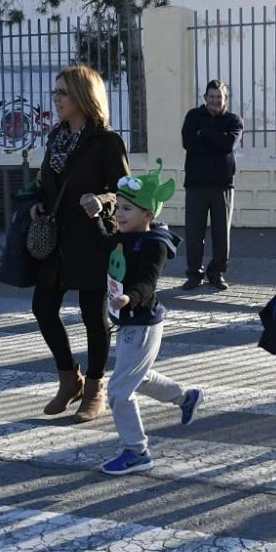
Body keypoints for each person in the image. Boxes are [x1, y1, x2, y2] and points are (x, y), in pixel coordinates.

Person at [91, 159, 205, 475]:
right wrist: (96, 219)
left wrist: (129, 297)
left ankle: (136, 451)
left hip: (142, 323)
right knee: (137, 377)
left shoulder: (153, 245)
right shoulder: (123, 236)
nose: (120, 214)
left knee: (118, 391)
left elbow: (147, 282)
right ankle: (187, 397)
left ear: (147, 215)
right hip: (128, 321)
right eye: (119, 207)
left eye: (127, 209)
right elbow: (104, 246)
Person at [30, 65, 130, 423]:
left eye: (62, 93)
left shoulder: (106, 141)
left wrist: (103, 199)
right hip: (58, 238)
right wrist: (37, 202)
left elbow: (125, 192)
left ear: (83, 97)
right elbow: (47, 184)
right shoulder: (56, 137)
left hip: (92, 238)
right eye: (55, 93)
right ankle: (69, 378)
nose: (56, 99)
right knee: (43, 306)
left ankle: (95, 388)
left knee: (93, 316)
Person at [181, 79, 244, 291]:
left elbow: (229, 145)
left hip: (223, 184)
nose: (215, 101)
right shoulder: (192, 117)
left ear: (225, 98)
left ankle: (216, 273)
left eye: (219, 97)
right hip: (196, 184)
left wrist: (205, 134)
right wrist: (215, 140)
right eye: (211, 97)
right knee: (194, 233)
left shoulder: (234, 120)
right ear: (205, 97)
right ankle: (194, 274)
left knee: (221, 234)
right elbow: (188, 143)